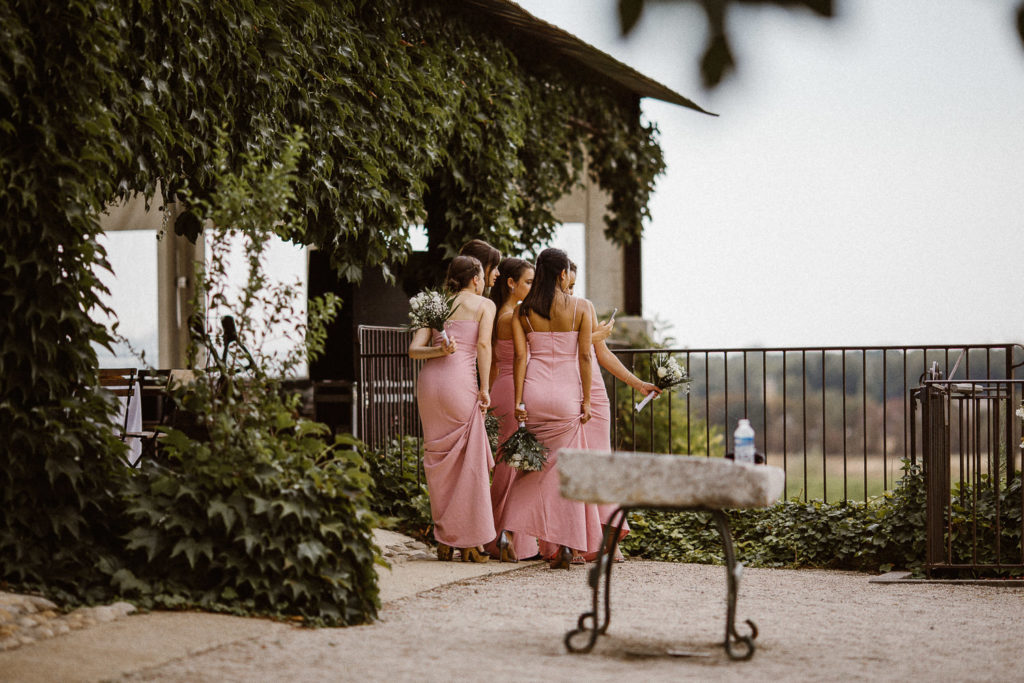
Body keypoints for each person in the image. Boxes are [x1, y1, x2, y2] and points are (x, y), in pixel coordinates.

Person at [499, 248, 603, 569]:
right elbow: (585, 357)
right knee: (564, 469)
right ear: (562, 275)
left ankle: (509, 530)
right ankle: (567, 546)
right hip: (566, 395)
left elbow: (520, 358)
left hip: (535, 392)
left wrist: (519, 401)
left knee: (535, 468)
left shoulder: (523, 312)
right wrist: (586, 400)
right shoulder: (582, 308)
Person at [565, 262, 660, 562]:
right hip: (567, 391)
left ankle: (611, 540)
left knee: (601, 467)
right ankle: (579, 542)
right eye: (566, 283)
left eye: (573, 284)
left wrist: (637, 383)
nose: (570, 289)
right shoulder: (545, 310)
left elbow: (602, 354)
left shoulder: (584, 306)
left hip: (593, 392)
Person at [408, 255, 496, 562]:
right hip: (459, 384)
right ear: (475, 279)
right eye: (484, 276)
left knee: (439, 462)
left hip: (430, 386)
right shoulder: (485, 305)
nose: (485, 282)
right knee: (468, 464)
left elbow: (414, 350)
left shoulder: (435, 305)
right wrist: (484, 388)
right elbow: (484, 346)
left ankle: (445, 539)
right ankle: (470, 541)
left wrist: (439, 349)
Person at [484, 257, 537, 562]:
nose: (531, 288)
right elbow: (520, 358)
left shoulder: (497, 314)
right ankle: (499, 534)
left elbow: (492, 362)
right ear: (511, 283)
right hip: (513, 390)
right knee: (511, 467)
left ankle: (500, 534)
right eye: (528, 282)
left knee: (508, 464)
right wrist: (519, 400)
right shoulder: (512, 315)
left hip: (500, 389)